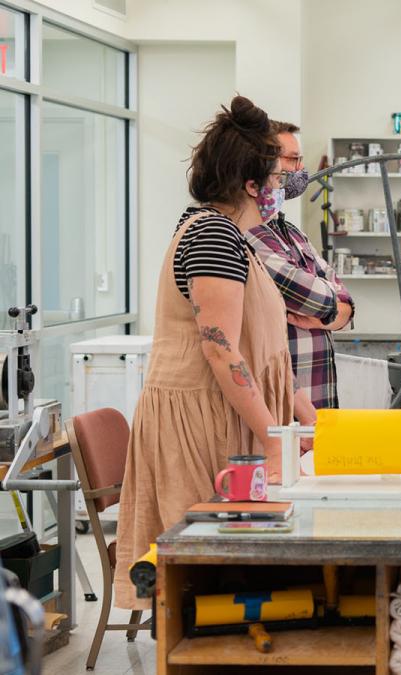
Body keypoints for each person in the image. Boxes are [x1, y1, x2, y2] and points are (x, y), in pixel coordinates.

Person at [114, 96, 302, 609]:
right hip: (200, 420)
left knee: (228, 568)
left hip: (227, 412)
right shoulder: (214, 236)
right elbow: (221, 352)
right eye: (277, 176)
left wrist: (307, 419)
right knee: (203, 575)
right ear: (252, 184)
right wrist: (274, 441)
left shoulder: (231, 236)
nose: (282, 187)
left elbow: (263, 349)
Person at [246, 121, 354, 410]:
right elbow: (318, 299)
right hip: (280, 408)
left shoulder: (291, 232)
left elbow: (345, 303)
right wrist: (332, 309)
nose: (300, 169)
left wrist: (335, 310)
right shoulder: (249, 234)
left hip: (319, 401)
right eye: (292, 159)